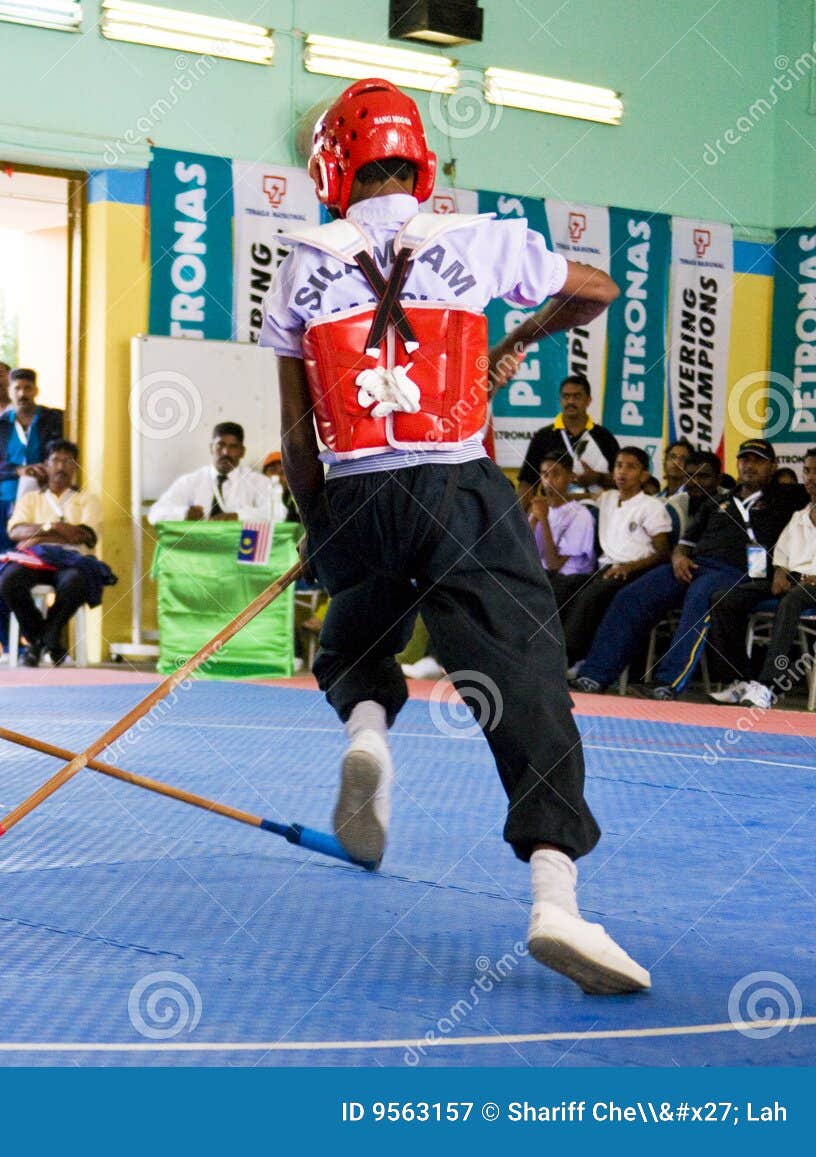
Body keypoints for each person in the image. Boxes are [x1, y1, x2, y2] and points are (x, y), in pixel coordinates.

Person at [264, 78, 647, 993]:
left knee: (357, 631)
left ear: (333, 168)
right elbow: (598, 287)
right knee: (525, 674)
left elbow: (296, 435)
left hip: (358, 489)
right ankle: (555, 899)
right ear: (419, 157)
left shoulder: (298, 264)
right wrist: (522, 327)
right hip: (458, 490)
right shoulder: (477, 237)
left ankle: (367, 735)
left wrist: (323, 531)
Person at [574, 439, 807, 700]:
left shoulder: (787, 497)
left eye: (758, 460)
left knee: (700, 596)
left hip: (739, 572)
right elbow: (684, 543)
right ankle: (594, 676)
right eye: (745, 459)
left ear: (773, 466)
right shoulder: (718, 501)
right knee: (632, 595)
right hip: (694, 565)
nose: (750, 466)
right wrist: (679, 558)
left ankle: (667, 682)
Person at [707, 448, 816, 708]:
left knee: (791, 600)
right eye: (808, 471)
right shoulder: (800, 516)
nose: (811, 477)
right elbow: (783, 554)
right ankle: (738, 681)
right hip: (795, 579)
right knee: (724, 598)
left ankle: (767, 685)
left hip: (811, 587)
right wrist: (779, 572)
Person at [0, 368, 64, 658]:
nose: (22, 394)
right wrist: (18, 470)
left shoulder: (54, 419)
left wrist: (46, 470)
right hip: (2, 506)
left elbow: (66, 454)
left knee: (44, 569)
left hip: (41, 506)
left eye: (27, 388)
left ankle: (42, 639)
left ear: (36, 390)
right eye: (17, 389)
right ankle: (7, 645)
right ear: (9, 392)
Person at [0, 439, 110, 666]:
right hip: (33, 559)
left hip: (70, 560)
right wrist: (54, 527)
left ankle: (38, 644)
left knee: (77, 581)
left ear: (75, 468)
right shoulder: (30, 499)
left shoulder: (87, 499)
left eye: (68, 462)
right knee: (6, 581)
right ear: (46, 466)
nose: (61, 467)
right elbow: (16, 532)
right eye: (56, 460)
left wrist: (37, 535)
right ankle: (50, 640)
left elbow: (81, 535)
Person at [559, 446, 673, 666]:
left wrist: (628, 568)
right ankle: (551, 652)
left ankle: (571, 658)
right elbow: (586, 495)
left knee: (592, 597)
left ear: (644, 475)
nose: (622, 472)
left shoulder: (651, 506)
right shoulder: (608, 497)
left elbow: (663, 553)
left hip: (635, 571)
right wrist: (557, 495)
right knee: (566, 586)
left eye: (631, 467)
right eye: (619, 466)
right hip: (604, 567)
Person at [145, 422, 270, 524]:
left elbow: (279, 513)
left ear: (242, 451)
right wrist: (184, 513)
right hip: (199, 552)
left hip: (242, 551)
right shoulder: (192, 481)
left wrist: (238, 517)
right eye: (220, 445)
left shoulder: (257, 482)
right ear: (211, 448)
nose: (225, 452)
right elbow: (155, 514)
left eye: (233, 447)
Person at [516, 375, 620, 497]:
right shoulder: (543, 437)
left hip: (597, 510)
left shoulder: (604, 437)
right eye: (566, 396)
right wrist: (517, 514)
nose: (571, 401)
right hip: (553, 512)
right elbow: (528, 482)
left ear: (588, 400)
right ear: (560, 400)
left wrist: (598, 478)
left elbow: (622, 480)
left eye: (577, 396)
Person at [528, 452, 596, 597]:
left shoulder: (581, 514)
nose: (549, 482)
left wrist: (544, 520)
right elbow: (526, 553)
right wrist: (534, 519)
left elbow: (554, 565)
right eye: (545, 475)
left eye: (556, 475)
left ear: (570, 477)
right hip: (543, 575)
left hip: (571, 579)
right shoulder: (541, 509)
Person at [261, 451, 300, 522]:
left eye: (283, 472)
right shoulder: (255, 497)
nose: (277, 476)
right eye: (272, 471)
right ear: (263, 475)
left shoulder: (296, 500)